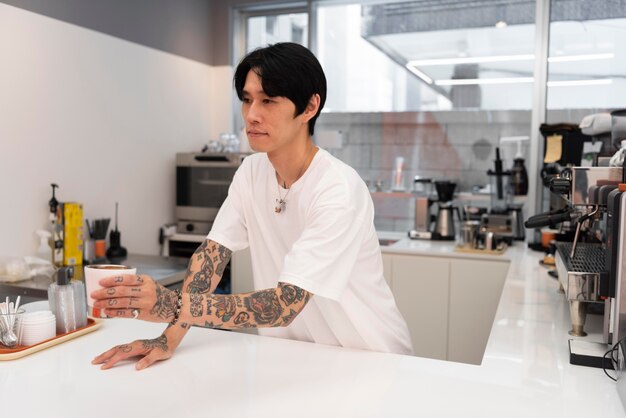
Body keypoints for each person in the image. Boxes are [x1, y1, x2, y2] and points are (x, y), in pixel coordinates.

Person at [91, 42, 413, 371]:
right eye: (247, 99)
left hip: (370, 358)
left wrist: (171, 304)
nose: (252, 115)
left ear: (309, 107)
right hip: (294, 358)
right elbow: (211, 257)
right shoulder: (251, 172)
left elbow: (283, 304)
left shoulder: (337, 189)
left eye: (268, 100)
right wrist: (169, 337)